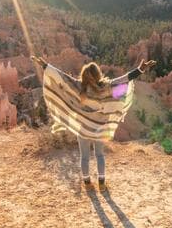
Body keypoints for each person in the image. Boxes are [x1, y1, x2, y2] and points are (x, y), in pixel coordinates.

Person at [32, 56, 156, 190]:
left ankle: (87, 183)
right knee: (100, 155)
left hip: (83, 128)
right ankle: (102, 183)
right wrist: (140, 69)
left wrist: (45, 66)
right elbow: (125, 78)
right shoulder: (107, 87)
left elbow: (62, 78)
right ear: (98, 74)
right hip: (100, 129)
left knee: (84, 157)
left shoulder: (79, 87)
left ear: (84, 75)